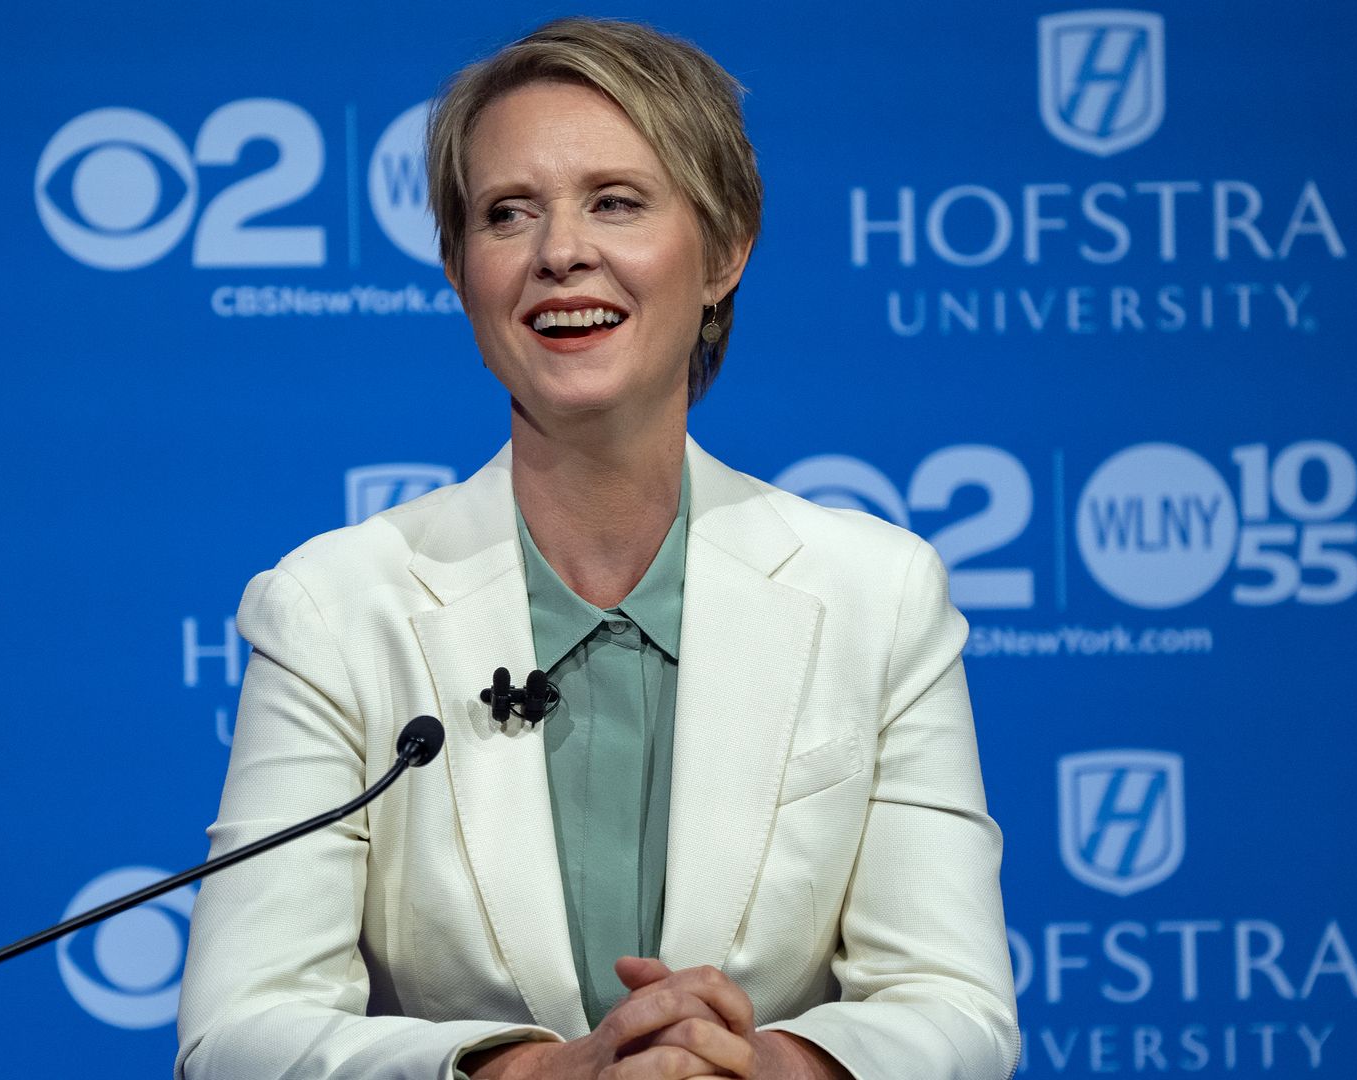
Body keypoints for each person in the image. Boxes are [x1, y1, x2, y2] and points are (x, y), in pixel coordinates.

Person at [175, 17, 1017, 1080]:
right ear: (459, 270)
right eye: (506, 214)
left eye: (615, 202)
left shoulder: (875, 593)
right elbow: (239, 1032)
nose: (559, 251)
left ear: (724, 249)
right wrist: (532, 1075)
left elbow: (956, 1010)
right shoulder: (339, 606)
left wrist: (766, 1067)